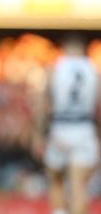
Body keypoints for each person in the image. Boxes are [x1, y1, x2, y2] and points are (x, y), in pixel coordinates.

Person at [38, 34, 99, 214]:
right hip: (84, 127)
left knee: (55, 178)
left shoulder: (55, 68)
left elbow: (42, 103)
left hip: (60, 127)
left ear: (65, 49)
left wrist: (39, 133)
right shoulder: (93, 70)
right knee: (78, 186)